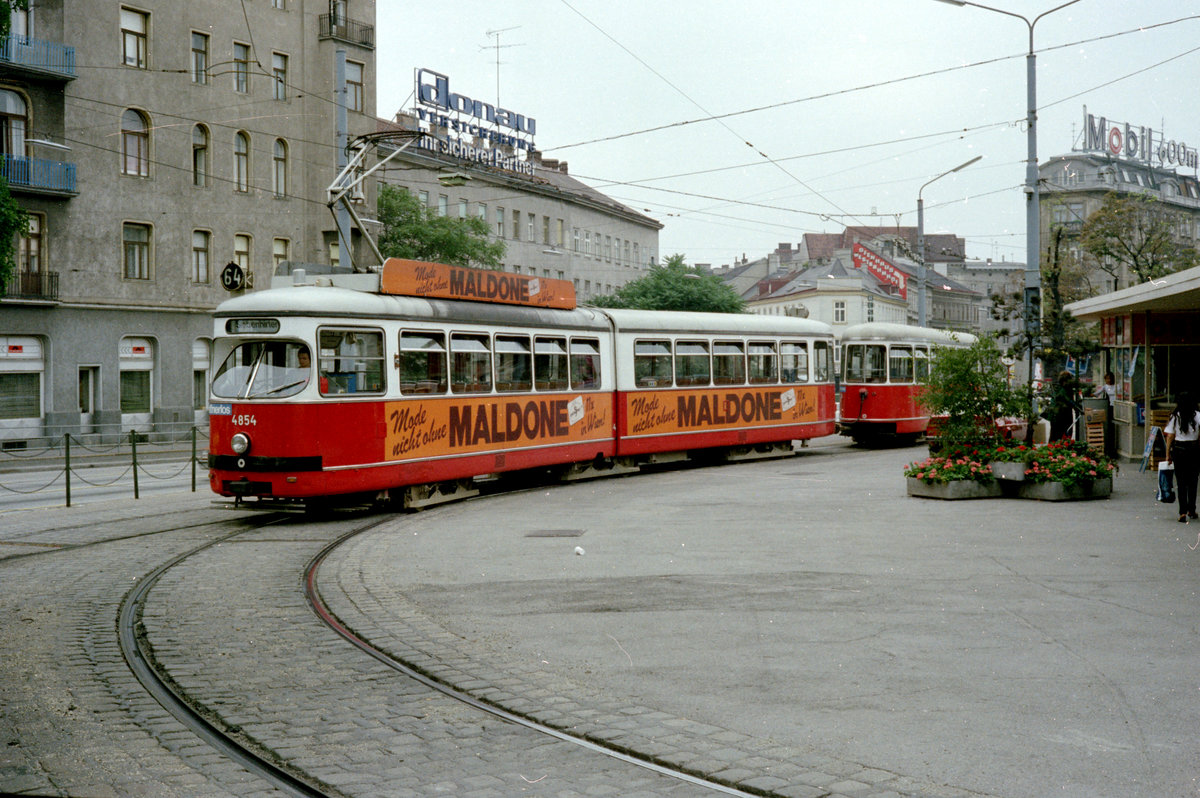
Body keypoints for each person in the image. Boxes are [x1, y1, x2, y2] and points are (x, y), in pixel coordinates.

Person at [1165, 391, 1200, 523]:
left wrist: (1167, 454)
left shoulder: (1175, 416)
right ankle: (1192, 509)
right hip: (1194, 450)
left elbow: (1170, 437)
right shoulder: (1198, 416)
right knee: (1193, 481)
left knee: (1181, 481)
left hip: (1179, 450)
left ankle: (1182, 512)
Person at [1047, 370, 1081, 442]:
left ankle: (1054, 449)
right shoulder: (1063, 389)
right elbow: (1069, 400)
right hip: (1061, 414)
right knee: (1063, 434)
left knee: (1055, 435)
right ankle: (1059, 449)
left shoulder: (1058, 387)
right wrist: (1078, 409)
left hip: (1057, 414)